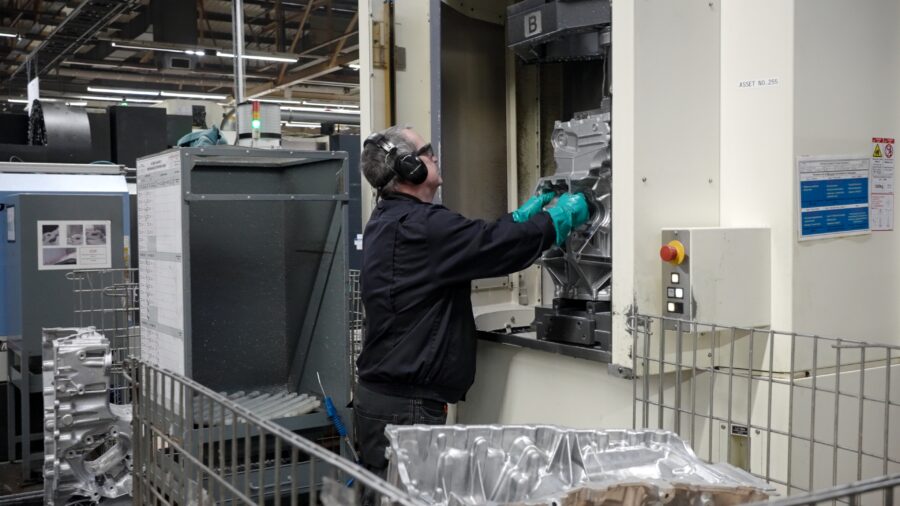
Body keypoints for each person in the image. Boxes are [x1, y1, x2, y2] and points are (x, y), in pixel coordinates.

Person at [355, 125, 589, 487]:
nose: (434, 156)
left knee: (387, 494)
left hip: (385, 401)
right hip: (407, 408)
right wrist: (555, 221)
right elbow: (493, 247)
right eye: (426, 151)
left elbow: (478, 241)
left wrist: (520, 219)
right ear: (408, 167)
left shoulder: (391, 220)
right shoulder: (423, 227)